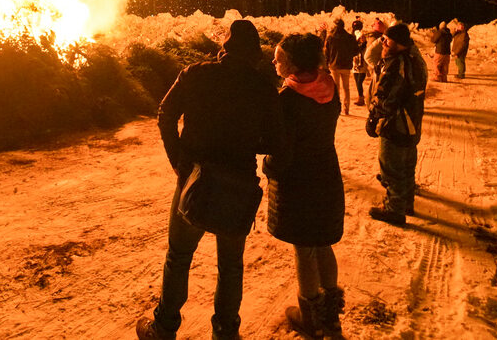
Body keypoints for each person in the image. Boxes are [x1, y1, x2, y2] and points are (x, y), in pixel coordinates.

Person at [137, 19, 284, 340]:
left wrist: (178, 160)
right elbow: (274, 140)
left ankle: (164, 328)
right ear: (253, 53)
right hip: (239, 182)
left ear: (225, 48)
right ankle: (225, 333)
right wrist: (249, 143)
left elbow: (165, 114)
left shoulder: (196, 74)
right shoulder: (262, 88)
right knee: (230, 265)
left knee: (179, 255)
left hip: (194, 177)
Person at [265, 33, 344, 338]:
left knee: (304, 247)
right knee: (323, 242)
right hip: (326, 172)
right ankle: (331, 314)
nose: (274, 62)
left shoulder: (288, 99)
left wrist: (269, 166)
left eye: (279, 57)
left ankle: (309, 315)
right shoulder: (329, 88)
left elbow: (281, 148)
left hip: (299, 180)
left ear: (294, 63)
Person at [366, 23, 426, 227]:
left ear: (399, 44)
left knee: (391, 168)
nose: (383, 42)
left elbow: (387, 97)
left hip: (396, 125)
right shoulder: (411, 59)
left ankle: (394, 209)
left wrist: (374, 117)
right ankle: (406, 203)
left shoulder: (397, 64)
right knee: (406, 166)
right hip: (410, 124)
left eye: (387, 40)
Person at [324, 18, 358, 114]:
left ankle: (337, 108)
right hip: (346, 66)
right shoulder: (350, 37)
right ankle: (346, 108)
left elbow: (326, 53)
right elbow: (356, 50)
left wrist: (327, 64)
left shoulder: (331, 37)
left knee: (336, 88)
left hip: (334, 66)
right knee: (346, 88)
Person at [362, 19, 387, 104]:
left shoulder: (373, 37)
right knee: (376, 85)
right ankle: (374, 102)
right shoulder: (375, 39)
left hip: (377, 64)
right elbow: (369, 54)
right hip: (377, 65)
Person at [350, 18, 367, 107]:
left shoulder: (360, 35)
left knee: (359, 81)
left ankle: (361, 98)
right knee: (357, 81)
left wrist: (355, 46)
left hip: (361, 61)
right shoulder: (354, 35)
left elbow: (362, 46)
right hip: (356, 61)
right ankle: (360, 97)